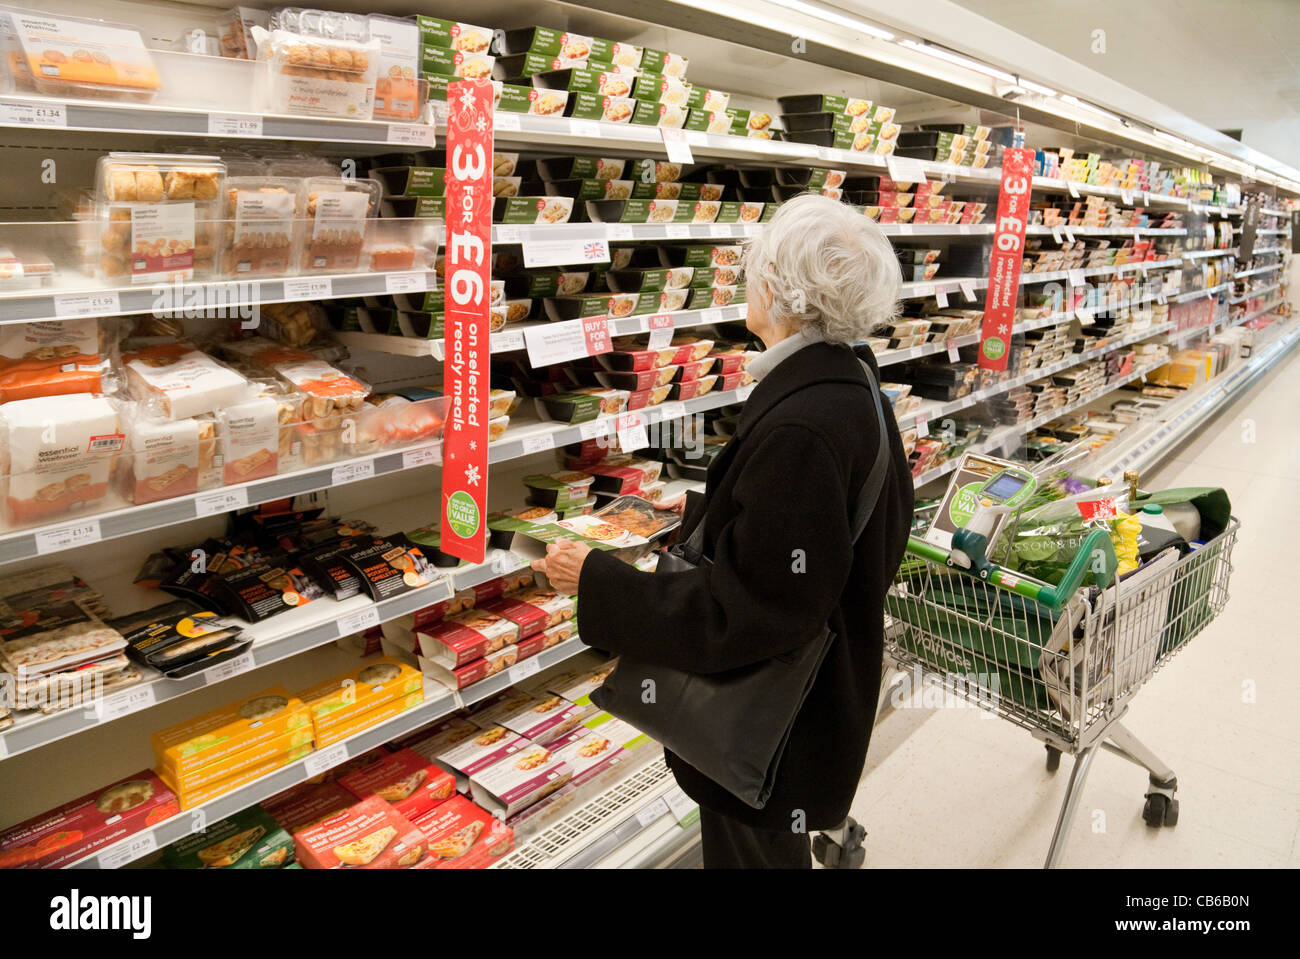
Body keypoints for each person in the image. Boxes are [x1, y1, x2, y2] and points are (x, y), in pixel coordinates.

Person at [533, 193, 914, 868]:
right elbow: (837, 550)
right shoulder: (853, 386)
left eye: (756, 268)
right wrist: (715, 525)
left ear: (782, 289)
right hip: (815, 706)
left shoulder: (803, 427)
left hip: (768, 732)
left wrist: (598, 579)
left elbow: (744, 614)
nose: (748, 283)